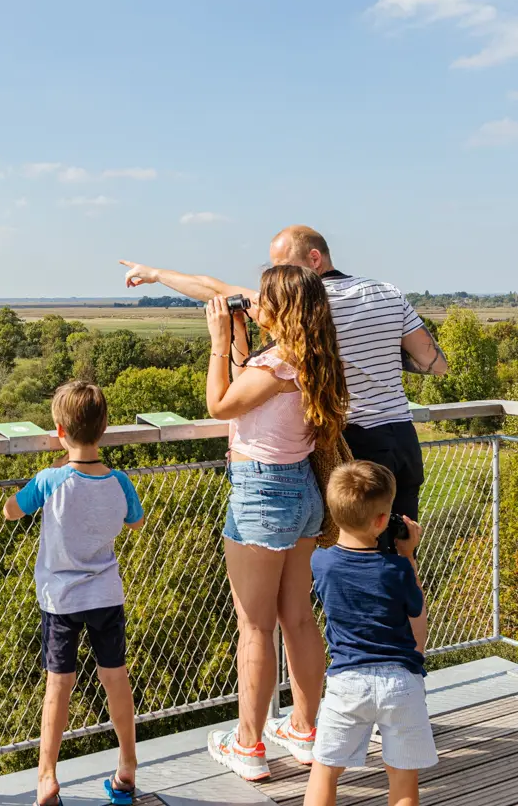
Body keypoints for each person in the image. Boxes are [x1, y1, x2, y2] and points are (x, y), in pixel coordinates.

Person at [120, 225, 447, 550]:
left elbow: (214, 289)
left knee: (351, 558)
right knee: (403, 549)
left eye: (282, 266)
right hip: (402, 438)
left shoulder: (303, 306)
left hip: (352, 444)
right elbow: (435, 364)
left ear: (314, 259)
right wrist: (377, 352)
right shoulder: (388, 293)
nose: (278, 275)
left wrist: (156, 273)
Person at [203, 265, 348, 781]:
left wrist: (220, 344)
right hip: (303, 493)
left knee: (256, 626)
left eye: (263, 301)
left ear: (281, 309)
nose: (255, 307)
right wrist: (243, 343)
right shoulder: (313, 355)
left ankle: (248, 745)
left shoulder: (281, 360)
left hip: (262, 492)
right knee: (298, 619)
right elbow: (257, 392)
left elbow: (220, 403)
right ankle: (306, 732)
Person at [3, 380, 145, 806]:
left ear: (60, 433)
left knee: (58, 685)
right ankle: (127, 766)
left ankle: (47, 777)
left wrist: (44, 475)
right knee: (115, 678)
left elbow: (11, 510)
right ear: (104, 429)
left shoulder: (51, 480)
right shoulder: (119, 482)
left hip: (61, 601)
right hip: (106, 596)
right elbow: (134, 521)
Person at [305, 461, 435, 806]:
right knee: (403, 776)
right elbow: (416, 609)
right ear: (382, 520)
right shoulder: (396, 569)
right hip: (401, 684)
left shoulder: (321, 563)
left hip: (348, 682)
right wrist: (407, 556)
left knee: (325, 770)